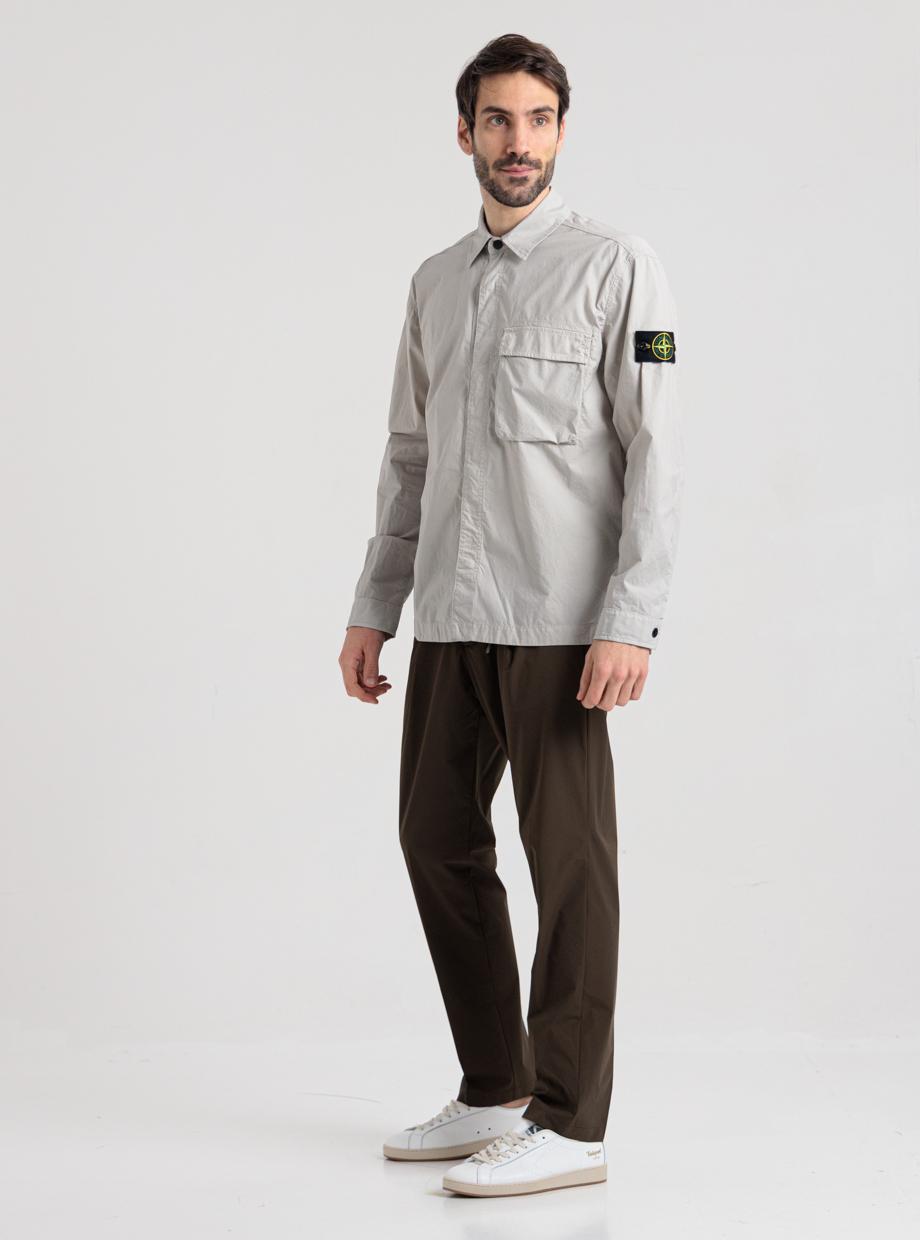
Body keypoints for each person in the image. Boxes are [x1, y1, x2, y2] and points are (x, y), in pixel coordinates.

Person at [338, 32, 684, 1198]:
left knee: (569, 866)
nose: (517, 140)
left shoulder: (614, 266)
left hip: (561, 624)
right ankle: (494, 1085)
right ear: (464, 133)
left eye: (537, 119)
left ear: (560, 131)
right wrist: (374, 606)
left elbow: (656, 449)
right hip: (450, 613)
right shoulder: (435, 282)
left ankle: (571, 1122)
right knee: (434, 836)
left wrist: (629, 616)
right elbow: (409, 455)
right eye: (497, 119)